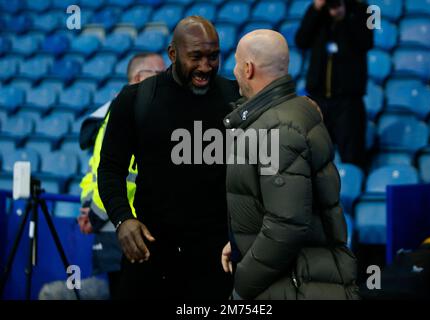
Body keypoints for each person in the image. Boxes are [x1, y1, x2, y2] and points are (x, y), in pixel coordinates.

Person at [98, 16, 240, 300]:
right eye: (196, 57)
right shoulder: (134, 99)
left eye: (213, 57)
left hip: (216, 260)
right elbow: (110, 170)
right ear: (173, 54)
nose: (205, 66)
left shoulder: (235, 98)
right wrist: (122, 219)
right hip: (151, 254)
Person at [221, 29, 359, 300]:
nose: (235, 70)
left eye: (237, 63)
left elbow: (286, 226)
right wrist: (240, 243)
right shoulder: (293, 111)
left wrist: (243, 284)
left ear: (247, 68)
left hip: (297, 285)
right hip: (299, 278)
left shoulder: (277, 129)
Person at [77, 53, 166, 299]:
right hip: (124, 226)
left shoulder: (122, 110)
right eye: (158, 74)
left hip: (121, 224)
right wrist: (91, 210)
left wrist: (91, 210)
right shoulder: (126, 113)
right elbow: (107, 172)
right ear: (139, 77)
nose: (165, 79)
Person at [295, 0, 373, 168]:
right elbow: (301, 40)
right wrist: (315, 9)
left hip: (348, 100)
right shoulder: (318, 11)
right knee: (315, 156)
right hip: (318, 99)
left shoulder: (366, 10)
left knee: (353, 156)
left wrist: (344, 18)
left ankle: (353, 187)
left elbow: (366, 42)